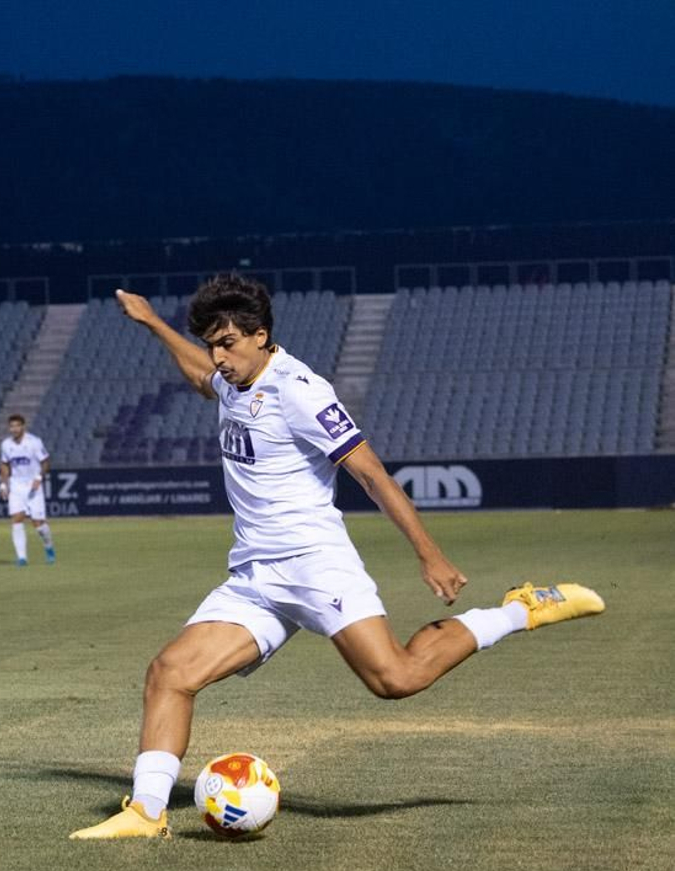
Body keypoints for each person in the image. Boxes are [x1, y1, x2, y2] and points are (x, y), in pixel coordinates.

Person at [71, 275, 604, 840]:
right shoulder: (231, 376)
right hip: (256, 574)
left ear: (261, 336)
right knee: (170, 674)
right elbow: (203, 378)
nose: (217, 356)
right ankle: (146, 813)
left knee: (395, 678)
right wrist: (153, 323)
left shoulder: (300, 390)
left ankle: (520, 610)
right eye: (210, 342)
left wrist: (430, 555)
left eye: (227, 343)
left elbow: (371, 475)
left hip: (315, 563)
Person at [0, 414, 54, 565]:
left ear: (23, 426)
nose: (14, 429)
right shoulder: (6, 444)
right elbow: (4, 464)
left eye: (17, 426)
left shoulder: (34, 442)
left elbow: (46, 462)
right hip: (16, 485)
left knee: (38, 524)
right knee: (17, 518)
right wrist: (3, 484)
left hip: (33, 486)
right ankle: (22, 558)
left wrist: (39, 477)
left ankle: (48, 546)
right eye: (12, 426)